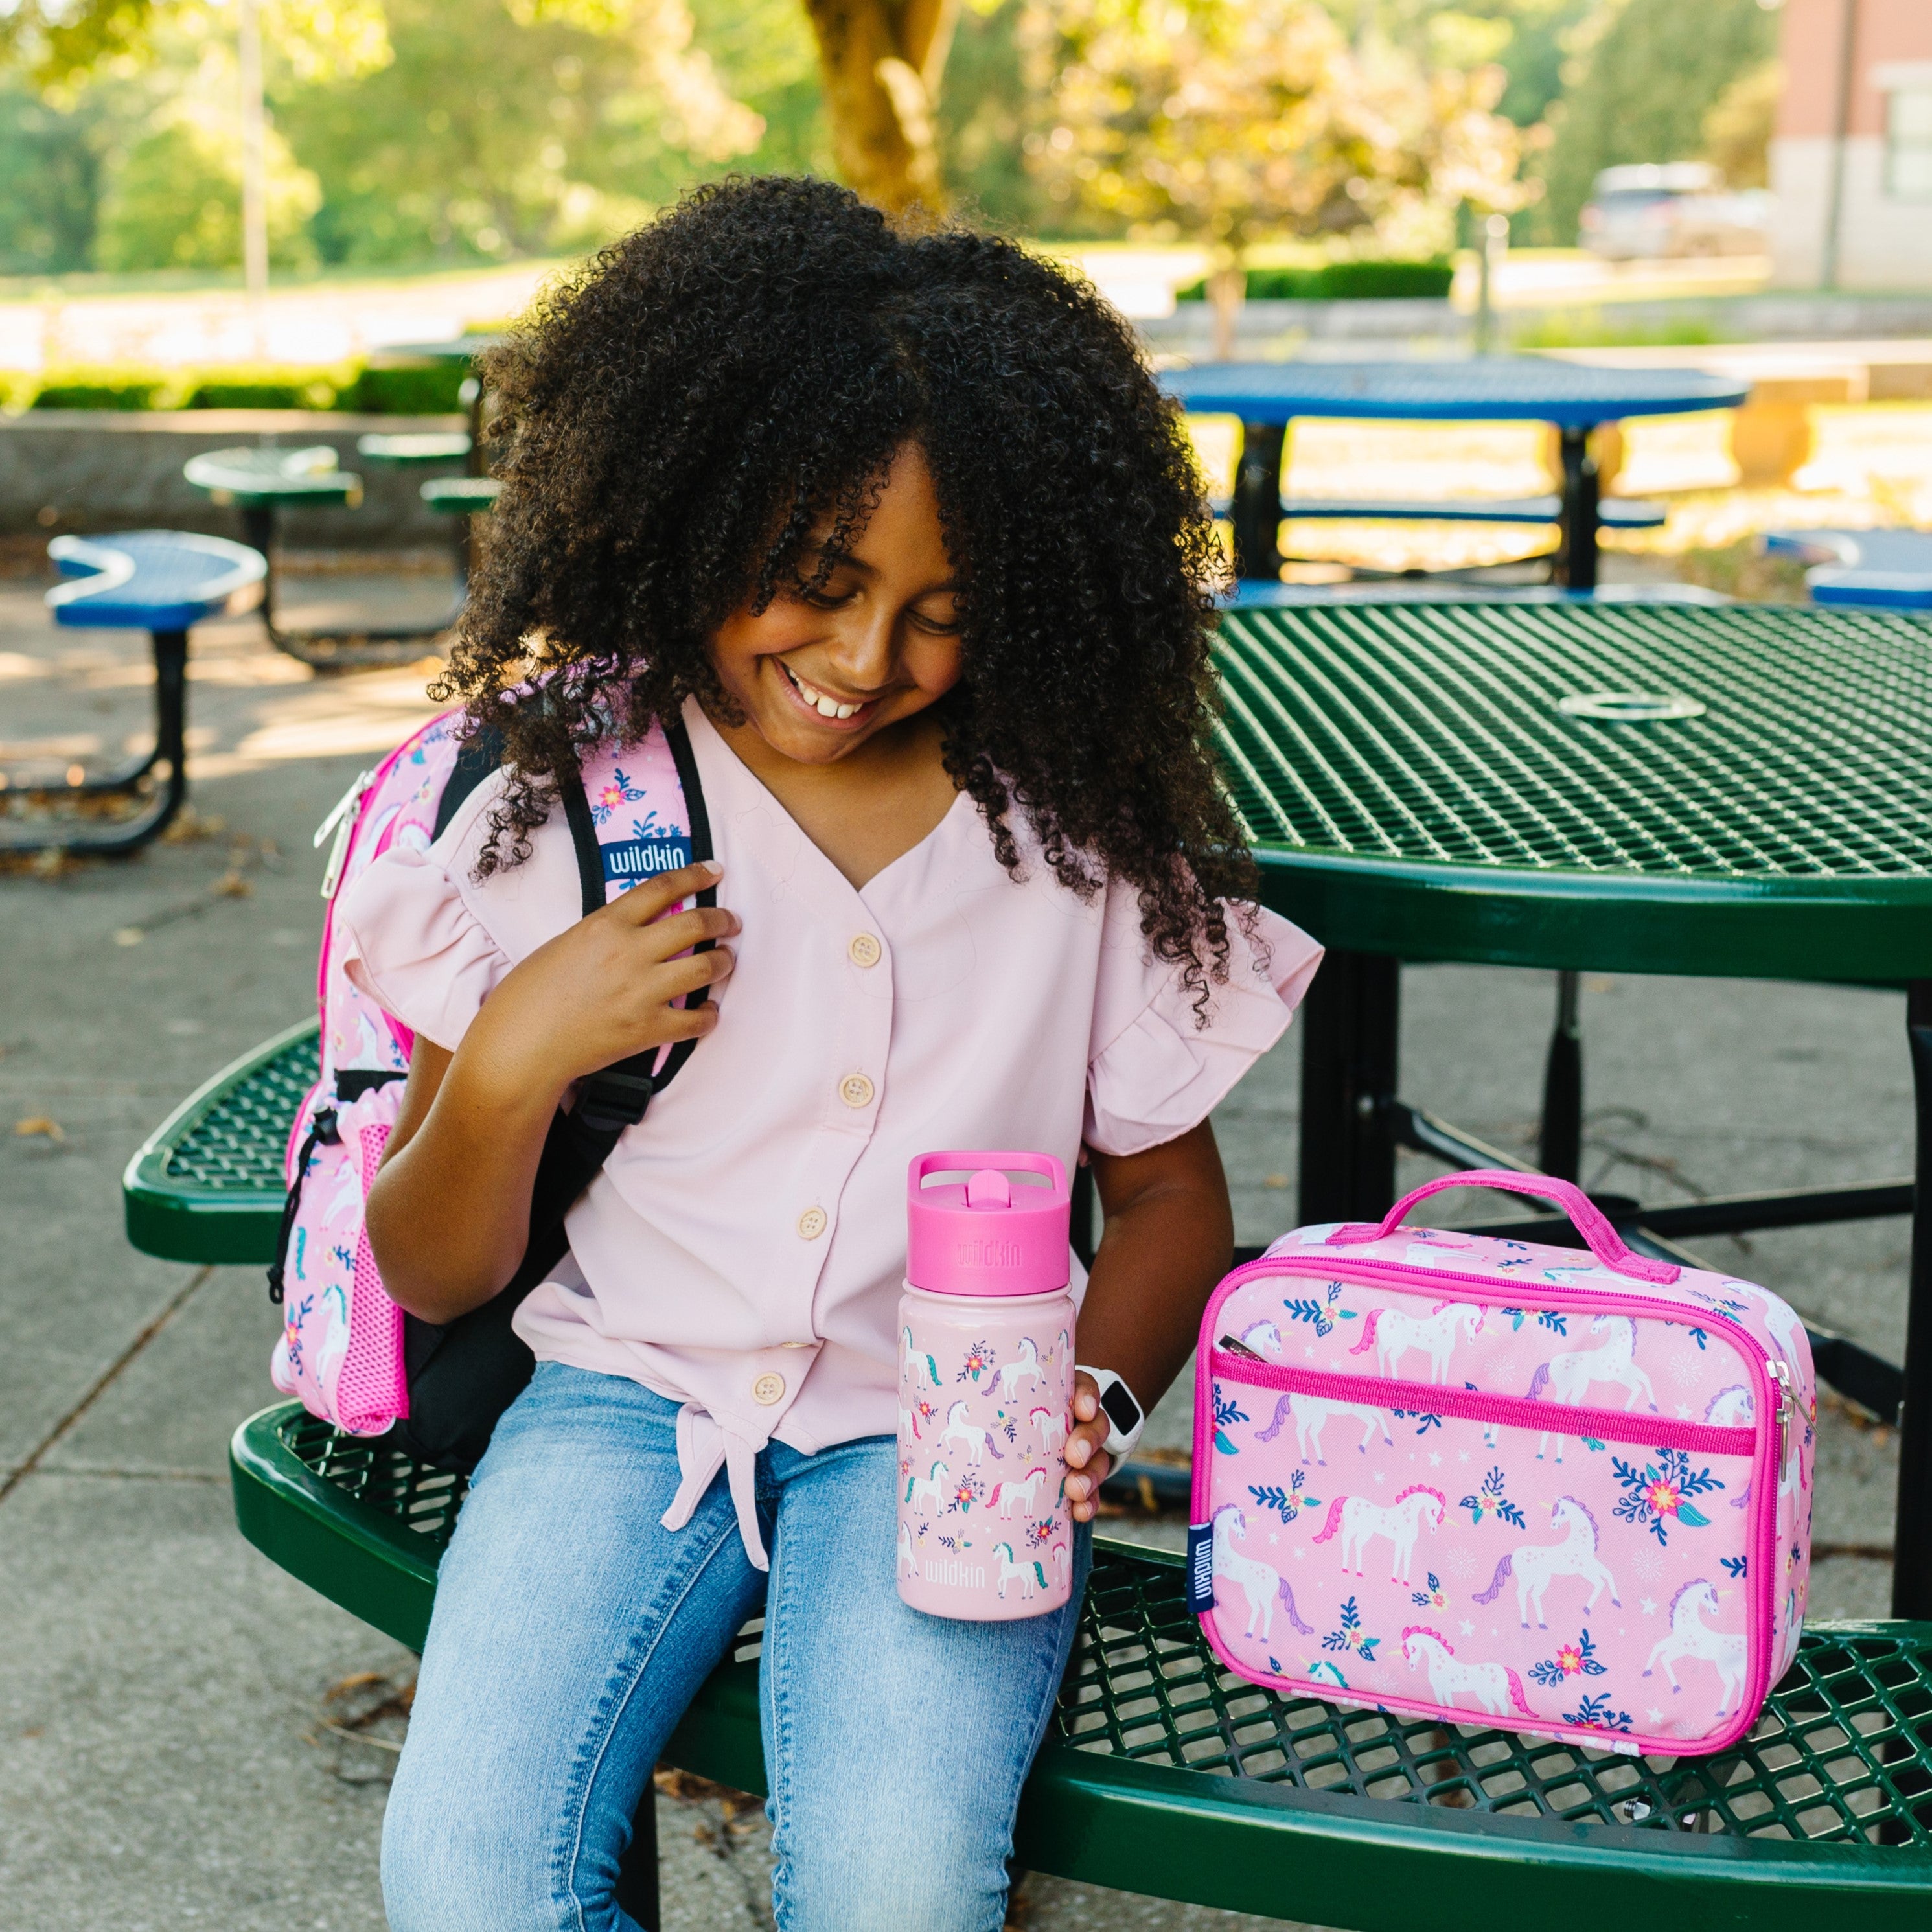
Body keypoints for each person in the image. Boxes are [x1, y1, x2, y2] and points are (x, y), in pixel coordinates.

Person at [343, 176, 1322, 1932]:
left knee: (892, 1888)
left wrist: (1081, 1402)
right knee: (465, 1877)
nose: (870, 659)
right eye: (816, 582)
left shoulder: (1076, 829)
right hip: (618, 1399)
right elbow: (427, 1268)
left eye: (945, 607)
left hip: (941, 1444)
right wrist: (507, 1063)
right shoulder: (572, 799)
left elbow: (1173, 1208)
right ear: (688, 507)